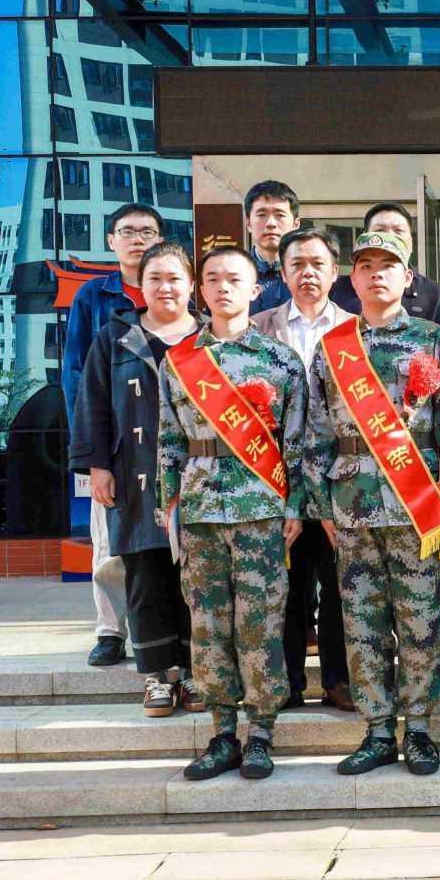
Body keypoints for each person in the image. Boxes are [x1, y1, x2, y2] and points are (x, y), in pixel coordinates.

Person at [304, 230, 440, 777]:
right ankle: (377, 729)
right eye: (366, 265)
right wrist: (321, 506)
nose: (376, 274)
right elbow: (315, 430)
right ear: (352, 279)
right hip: (352, 504)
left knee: (422, 620)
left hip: (417, 504)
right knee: (363, 622)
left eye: (388, 265)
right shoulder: (333, 346)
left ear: (407, 277)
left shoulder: (432, 339)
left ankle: (419, 728)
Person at [157, 247, 307, 781]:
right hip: (199, 510)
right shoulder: (178, 361)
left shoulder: (281, 360)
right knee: (208, 625)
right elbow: (169, 439)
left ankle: (261, 732)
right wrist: (168, 504)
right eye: (213, 279)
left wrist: (295, 504)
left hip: (260, 509)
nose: (223, 288)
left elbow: (297, 443)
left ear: (255, 290)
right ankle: (222, 732)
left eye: (234, 279)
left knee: (260, 623)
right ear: (200, 290)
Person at [71, 241, 200, 718]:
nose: (165, 287)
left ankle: (194, 672)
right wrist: (98, 466)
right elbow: (92, 403)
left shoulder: (209, 336)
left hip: (200, 478)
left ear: (191, 284)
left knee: (196, 576)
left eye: (174, 278)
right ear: (139, 286)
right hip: (134, 473)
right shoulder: (116, 336)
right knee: (145, 573)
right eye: (154, 279)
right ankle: (157, 676)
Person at [252, 227, 355, 712]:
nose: (307, 273)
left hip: (341, 476)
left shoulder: (357, 330)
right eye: (297, 264)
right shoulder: (257, 328)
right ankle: (289, 682)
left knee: (339, 582)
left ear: (335, 272)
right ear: (282, 272)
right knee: (286, 585)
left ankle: (338, 680)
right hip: (276, 475)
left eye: (317, 264)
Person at [64, 203, 162, 667]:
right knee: (108, 541)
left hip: (162, 445)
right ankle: (109, 631)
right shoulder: (93, 297)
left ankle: (162, 632)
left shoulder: (175, 294)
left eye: (147, 232)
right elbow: (76, 377)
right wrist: (92, 453)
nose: (137, 239)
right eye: (127, 231)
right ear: (111, 240)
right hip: (115, 442)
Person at [331, 203, 440, 322]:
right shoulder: (336, 291)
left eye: (398, 231)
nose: (389, 237)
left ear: (411, 242)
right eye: (380, 231)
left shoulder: (435, 296)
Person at [244, 181, 301, 315]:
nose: (270, 223)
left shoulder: (307, 274)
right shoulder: (234, 274)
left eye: (279, 215)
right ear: (248, 223)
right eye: (261, 215)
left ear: (296, 224)